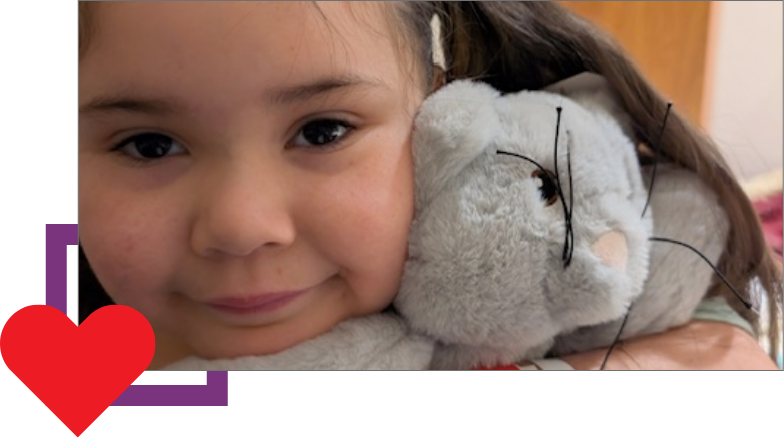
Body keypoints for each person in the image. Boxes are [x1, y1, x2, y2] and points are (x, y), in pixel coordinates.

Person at [78, 1, 781, 370]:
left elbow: (729, 366)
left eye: (322, 131)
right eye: (149, 144)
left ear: (441, 106)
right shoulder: (55, 323)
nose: (242, 224)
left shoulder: (529, 253)